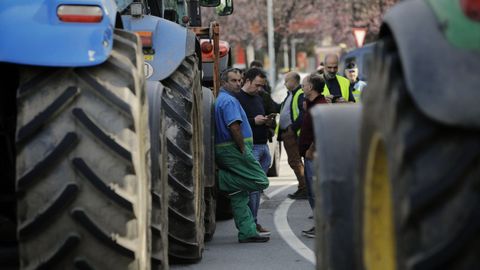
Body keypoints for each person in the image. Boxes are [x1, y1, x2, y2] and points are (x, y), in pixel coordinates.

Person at [214, 68, 270, 243]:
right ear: (224, 82)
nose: (238, 83)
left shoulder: (223, 98)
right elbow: (234, 127)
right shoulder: (229, 101)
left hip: (228, 148)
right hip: (234, 148)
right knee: (261, 180)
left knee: (239, 194)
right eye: (233, 80)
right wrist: (243, 150)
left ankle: (247, 232)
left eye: (239, 80)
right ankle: (221, 179)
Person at [236, 68, 274, 236]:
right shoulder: (237, 99)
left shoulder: (258, 97)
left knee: (257, 188)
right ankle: (251, 223)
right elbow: (236, 123)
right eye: (257, 85)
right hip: (251, 148)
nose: (260, 89)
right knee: (252, 188)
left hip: (263, 146)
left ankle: (254, 221)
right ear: (247, 80)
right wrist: (254, 121)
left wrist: (267, 121)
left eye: (262, 86)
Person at [298, 74, 328, 238]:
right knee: (312, 192)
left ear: (310, 87)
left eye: (304, 85)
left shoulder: (319, 106)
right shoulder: (312, 104)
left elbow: (320, 131)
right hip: (309, 155)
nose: (302, 87)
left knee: (316, 193)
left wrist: (311, 149)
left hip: (314, 156)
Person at [276, 72, 307, 199]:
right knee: (294, 161)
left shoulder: (299, 94)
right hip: (288, 133)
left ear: (294, 81)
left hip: (292, 134)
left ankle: (304, 188)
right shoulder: (291, 95)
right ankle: (302, 187)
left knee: (295, 161)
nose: (284, 83)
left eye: (287, 80)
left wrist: (292, 129)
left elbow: (302, 114)